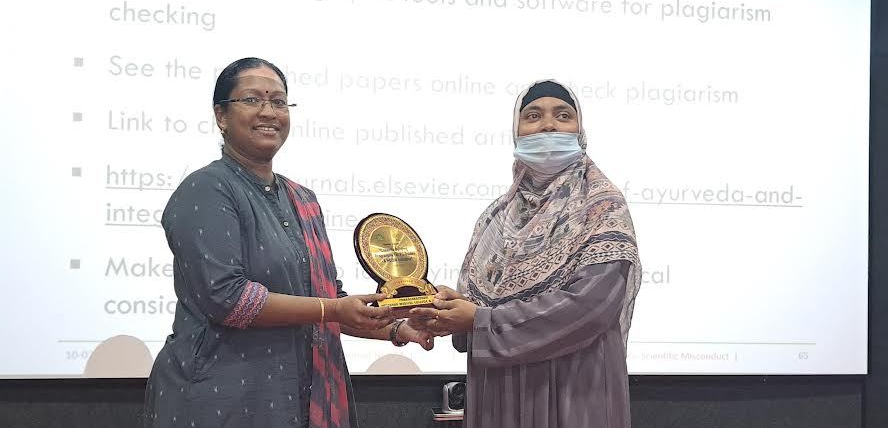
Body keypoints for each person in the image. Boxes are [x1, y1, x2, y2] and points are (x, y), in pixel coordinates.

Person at [142, 57, 433, 428]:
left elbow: (328, 298)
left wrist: (397, 327)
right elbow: (228, 300)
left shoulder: (302, 199)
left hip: (298, 397)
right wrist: (333, 309)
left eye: (279, 102)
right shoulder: (206, 189)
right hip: (221, 399)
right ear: (221, 116)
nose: (269, 112)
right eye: (252, 100)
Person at [411, 80, 642, 428]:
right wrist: (450, 309)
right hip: (500, 395)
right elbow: (481, 304)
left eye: (563, 116)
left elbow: (592, 307)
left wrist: (478, 321)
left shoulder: (602, 207)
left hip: (573, 392)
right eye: (533, 115)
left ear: (580, 131)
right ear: (516, 133)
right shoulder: (496, 217)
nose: (548, 125)